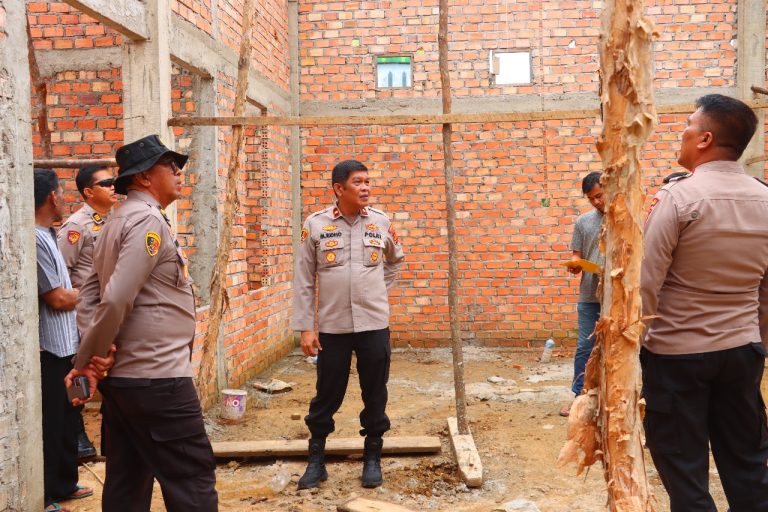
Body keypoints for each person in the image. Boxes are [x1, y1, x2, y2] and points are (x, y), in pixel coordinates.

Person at [65, 135, 218, 511]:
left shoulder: (116, 220)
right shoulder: (146, 221)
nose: (179, 173)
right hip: (158, 378)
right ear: (145, 177)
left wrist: (90, 357)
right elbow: (115, 297)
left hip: (127, 381)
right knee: (191, 478)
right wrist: (89, 360)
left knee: (128, 477)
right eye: (170, 166)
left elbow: (89, 297)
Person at [641, 94, 768, 511]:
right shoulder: (764, 198)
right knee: (749, 464)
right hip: (742, 353)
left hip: (677, 357)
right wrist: (757, 342)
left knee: (685, 472)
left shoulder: (678, 199)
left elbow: (645, 283)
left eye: (688, 125)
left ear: (705, 139)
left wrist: (628, 351)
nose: (682, 133)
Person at [293, 159, 405, 489]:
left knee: (375, 393)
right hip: (333, 327)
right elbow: (303, 279)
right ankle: (316, 461)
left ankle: (372, 458)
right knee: (327, 394)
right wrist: (306, 327)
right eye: (358, 182)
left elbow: (395, 262)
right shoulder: (315, 225)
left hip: (373, 324)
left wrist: (375, 292)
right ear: (338, 189)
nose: (366, 187)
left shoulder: (381, 223)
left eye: (368, 181)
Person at [33, 168, 95, 512]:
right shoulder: (37, 238)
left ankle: (64, 482)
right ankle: (49, 493)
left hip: (66, 343)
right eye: (60, 191)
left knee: (69, 414)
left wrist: (76, 293)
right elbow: (57, 298)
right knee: (53, 420)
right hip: (51, 347)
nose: (63, 197)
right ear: (52, 196)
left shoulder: (49, 234)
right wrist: (88, 293)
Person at [57, 164, 117, 460]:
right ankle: (77, 433)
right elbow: (61, 273)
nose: (113, 186)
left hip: (109, 311)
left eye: (114, 180)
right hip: (84, 315)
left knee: (110, 378)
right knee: (81, 370)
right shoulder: (76, 227)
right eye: (106, 182)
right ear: (88, 192)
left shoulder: (116, 219)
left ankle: (108, 436)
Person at [561, 171, 604, 417]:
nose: (596, 202)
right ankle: (580, 396)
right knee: (584, 347)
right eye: (591, 199)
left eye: (599, 195)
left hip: (619, 297)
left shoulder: (626, 218)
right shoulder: (583, 222)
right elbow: (577, 253)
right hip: (590, 296)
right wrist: (575, 263)